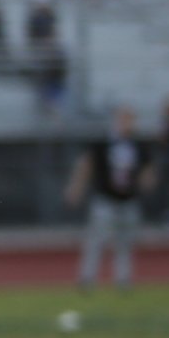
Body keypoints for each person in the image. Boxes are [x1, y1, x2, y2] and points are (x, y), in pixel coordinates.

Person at [68, 106, 154, 288]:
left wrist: (147, 182)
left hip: (128, 199)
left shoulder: (138, 145)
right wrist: (76, 188)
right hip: (105, 198)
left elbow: (147, 169)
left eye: (129, 120)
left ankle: (123, 279)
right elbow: (86, 165)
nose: (126, 124)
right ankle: (87, 278)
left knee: (125, 242)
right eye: (123, 119)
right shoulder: (103, 144)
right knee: (97, 239)